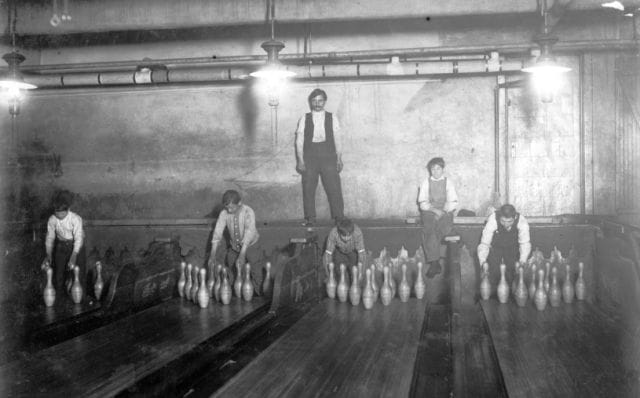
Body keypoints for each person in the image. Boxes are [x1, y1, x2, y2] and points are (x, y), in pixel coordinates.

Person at [295, 88, 345, 226]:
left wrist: (339, 158)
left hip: (328, 155)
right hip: (310, 156)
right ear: (311, 102)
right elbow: (299, 141)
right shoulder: (304, 118)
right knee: (308, 187)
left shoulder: (332, 117)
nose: (317, 104)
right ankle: (310, 218)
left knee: (334, 187)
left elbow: (338, 139)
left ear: (325, 101)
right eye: (314, 101)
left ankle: (339, 217)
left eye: (320, 101)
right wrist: (300, 160)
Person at [417, 157, 458, 278]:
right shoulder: (426, 182)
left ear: (442, 169)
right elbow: (422, 202)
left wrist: (443, 211)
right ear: (430, 171)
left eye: (438, 168)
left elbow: (453, 201)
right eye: (432, 169)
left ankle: (436, 261)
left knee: (443, 229)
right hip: (430, 211)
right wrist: (434, 211)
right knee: (429, 230)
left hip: (445, 212)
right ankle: (435, 263)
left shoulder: (448, 182)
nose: (435, 171)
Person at [43, 190, 85, 297]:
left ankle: (79, 299)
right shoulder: (52, 220)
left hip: (76, 247)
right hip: (61, 246)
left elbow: (79, 238)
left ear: (68, 209)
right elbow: (50, 237)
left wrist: (74, 255)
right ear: (54, 211)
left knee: (78, 274)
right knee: (58, 274)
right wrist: (48, 254)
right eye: (57, 214)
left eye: (63, 214)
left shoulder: (75, 218)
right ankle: (60, 299)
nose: (60, 217)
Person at [477, 203, 531, 286]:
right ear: (499, 218)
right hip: (496, 248)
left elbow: (525, 243)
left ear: (515, 217)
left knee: (514, 273)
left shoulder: (521, 221)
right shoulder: (493, 219)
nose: (506, 224)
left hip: (513, 249)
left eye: (509, 221)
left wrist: (522, 261)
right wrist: (482, 261)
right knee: (493, 272)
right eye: (503, 221)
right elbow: (484, 244)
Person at [209, 190, 260, 271]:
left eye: (232, 207)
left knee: (254, 269)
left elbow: (249, 232)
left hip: (251, 246)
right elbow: (217, 232)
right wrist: (212, 254)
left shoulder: (248, 212)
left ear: (239, 203)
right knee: (232, 266)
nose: (229, 210)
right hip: (235, 247)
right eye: (227, 208)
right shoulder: (224, 213)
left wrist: (242, 254)